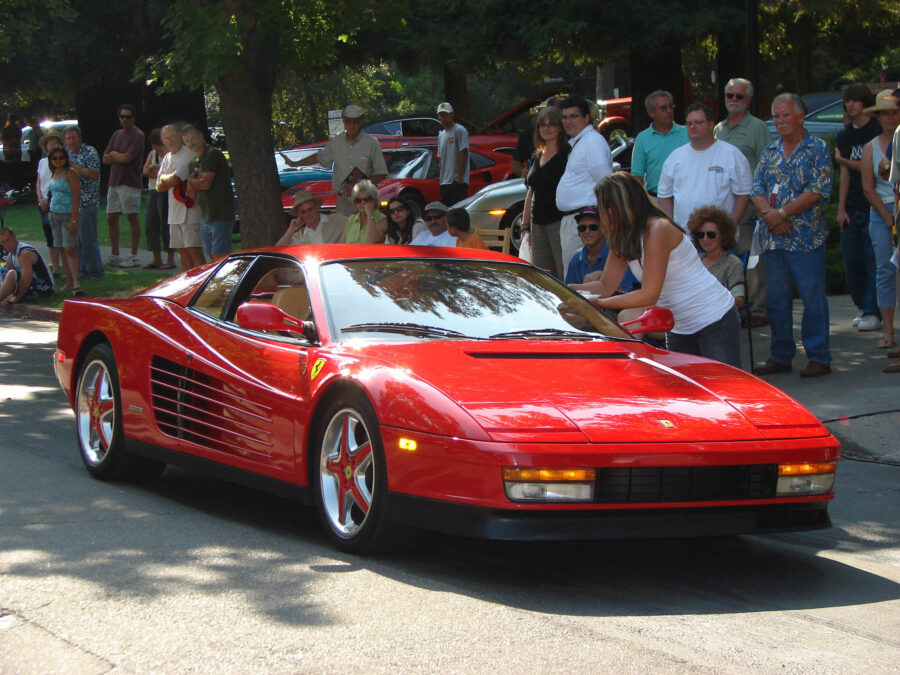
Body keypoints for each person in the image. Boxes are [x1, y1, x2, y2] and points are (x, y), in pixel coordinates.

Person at [573, 173, 741, 368]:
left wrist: (600, 303)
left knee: (723, 390)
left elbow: (649, 294)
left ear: (616, 208)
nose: (601, 215)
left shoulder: (658, 230)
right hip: (679, 327)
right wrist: (561, 288)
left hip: (714, 319)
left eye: (602, 208)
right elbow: (605, 285)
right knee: (686, 395)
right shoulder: (624, 236)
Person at [751, 93, 833, 378]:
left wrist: (782, 214)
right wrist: (770, 217)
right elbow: (757, 190)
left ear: (801, 116)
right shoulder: (770, 151)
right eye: (776, 115)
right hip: (774, 238)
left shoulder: (817, 148)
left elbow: (817, 190)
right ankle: (781, 354)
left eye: (785, 115)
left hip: (806, 238)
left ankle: (819, 356)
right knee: (777, 299)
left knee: (811, 298)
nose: (780, 121)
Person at [714, 77, 772, 327]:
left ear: (748, 100)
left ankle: (757, 309)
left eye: (739, 96)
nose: (734, 101)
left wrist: (763, 206)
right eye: (730, 96)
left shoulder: (758, 128)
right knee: (721, 257)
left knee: (752, 259)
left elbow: (766, 166)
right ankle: (727, 308)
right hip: (721, 203)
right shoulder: (717, 129)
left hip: (749, 204)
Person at [657, 102, 752, 228]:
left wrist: (730, 228)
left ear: (711, 124)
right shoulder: (675, 157)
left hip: (720, 240)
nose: (693, 126)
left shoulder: (732, 154)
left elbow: (743, 195)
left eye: (698, 122)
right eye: (689, 123)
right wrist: (672, 228)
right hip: (685, 239)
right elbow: (664, 196)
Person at [281, 104, 386, 217]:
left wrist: (358, 185)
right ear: (343, 121)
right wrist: (295, 163)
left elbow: (381, 174)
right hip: (343, 202)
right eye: (348, 121)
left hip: (365, 200)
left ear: (361, 121)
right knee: (344, 233)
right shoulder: (336, 141)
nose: (352, 125)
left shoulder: (371, 143)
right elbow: (319, 157)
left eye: (355, 121)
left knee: (367, 233)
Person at [835, 83, 882, 332]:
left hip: (873, 204)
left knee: (871, 260)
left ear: (865, 102)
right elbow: (844, 174)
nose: (851, 105)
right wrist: (840, 208)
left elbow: (868, 167)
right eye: (848, 101)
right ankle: (862, 307)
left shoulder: (875, 132)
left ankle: (873, 311)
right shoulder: (845, 135)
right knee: (852, 262)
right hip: (852, 206)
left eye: (856, 100)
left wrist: (843, 159)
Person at [860, 90, 899, 353]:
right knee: (884, 271)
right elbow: (867, 188)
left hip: (898, 209)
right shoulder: (870, 147)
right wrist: (887, 218)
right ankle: (887, 329)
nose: (890, 117)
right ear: (878, 116)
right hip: (881, 211)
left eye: (894, 111)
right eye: (885, 112)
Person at [556, 95, 613, 272]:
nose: (568, 122)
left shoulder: (592, 142)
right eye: (564, 117)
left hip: (585, 221)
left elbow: (605, 185)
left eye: (573, 116)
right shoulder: (581, 142)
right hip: (575, 221)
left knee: (581, 277)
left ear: (586, 117)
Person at [522, 105, 569, 278]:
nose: (547, 128)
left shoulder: (567, 154)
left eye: (552, 124)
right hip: (537, 223)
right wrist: (524, 226)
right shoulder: (537, 155)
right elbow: (530, 191)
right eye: (543, 124)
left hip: (558, 221)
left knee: (562, 273)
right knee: (542, 276)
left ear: (560, 128)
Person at [182, 123, 235, 260]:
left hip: (220, 214)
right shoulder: (193, 162)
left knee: (220, 257)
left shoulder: (212, 155)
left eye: (193, 139)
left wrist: (193, 181)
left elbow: (205, 184)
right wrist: (194, 182)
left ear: (200, 136)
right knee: (211, 256)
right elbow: (190, 193)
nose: (191, 143)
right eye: (187, 141)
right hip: (205, 215)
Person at [156, 124, 205, 271]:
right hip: (174, 212)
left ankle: (200, 284)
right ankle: (186, 286)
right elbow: (158, 186)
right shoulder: (167, 158)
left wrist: (166, 178)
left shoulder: (188, 155)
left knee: (194, 250)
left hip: (190, 210)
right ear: (162, 141)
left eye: (172, 137)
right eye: (166, 138)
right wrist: (167, 178)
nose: (170, 141)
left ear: (179, 136)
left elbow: (176, 179)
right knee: (182, 252)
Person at [102, 103, 145, 268]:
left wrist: (115, 155)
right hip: (114, 180)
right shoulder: (116, 134)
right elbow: (105, 158)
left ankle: (134, 255)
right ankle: (115, 254)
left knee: (131, 217)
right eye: (122, 117)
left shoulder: (138, 135)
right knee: (111, 217)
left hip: (130, 181)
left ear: (133, 118)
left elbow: (128, 158)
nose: (124, 120)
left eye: (128, 117)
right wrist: (116, 156)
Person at [564, 206, 639, 292]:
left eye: (593, 227)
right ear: (578, 232)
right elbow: (568, 293)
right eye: (582, 228)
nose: (587, 231)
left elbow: (627, 291)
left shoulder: (617, 253)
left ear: (603, 229)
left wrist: (605, 280)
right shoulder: (576, 258)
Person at [630, 90, 688, 196]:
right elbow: (637, 176)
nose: (669, 111)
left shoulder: (687, 133)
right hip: (655, 199)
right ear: (651, 112)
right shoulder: (643, 138)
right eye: (663, 108)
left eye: (671, 106)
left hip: (684, 197)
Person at [65, 126, 104, 278]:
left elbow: (94, 174)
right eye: (68, 138)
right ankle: (81, 270)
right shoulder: (65, 154)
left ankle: (95, 271)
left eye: (74, 138)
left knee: (88, 239)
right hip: (73, 204)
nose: (72, 141)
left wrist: (74, 166)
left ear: (80, 138)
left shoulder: (90, 152)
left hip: (88, 202)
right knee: (76, 240)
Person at [686, 206, 745, 308]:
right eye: (700, 235)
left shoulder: (732, 263)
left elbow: (738, 300)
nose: (705, 239)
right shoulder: (695, 260)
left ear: (723, 235)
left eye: (711, 234)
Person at [46, 147, 82, 295]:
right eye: (55, 158)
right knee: (60, 248)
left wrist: (73, 221)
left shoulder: (71, 174)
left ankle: (76, 283)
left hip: (68, 215)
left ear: (66, 159)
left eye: (61, 157)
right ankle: (68, 281)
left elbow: (76, 198)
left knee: (70, 249)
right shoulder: (54, 173)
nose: (58, 160)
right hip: (54, 215)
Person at [142, 128, 175, 269]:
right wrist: (154, 170)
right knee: (151, 224)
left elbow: (169, 174)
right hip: (153, 190)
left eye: (157, 145)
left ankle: (170, 258)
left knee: (165, 224)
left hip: (166, 192)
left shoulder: (170, 155)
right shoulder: (153, 154)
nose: (156, 148)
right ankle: (156, 258)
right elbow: (145, 171)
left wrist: (156, 170)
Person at [35, 133, 64, 277]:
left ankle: (67, 268)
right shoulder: (42, 163)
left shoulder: (61, 163)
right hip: (43, 202)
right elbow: (39, 182)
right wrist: (40, 198)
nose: (52, 146)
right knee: (50, 237)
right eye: (50, 143)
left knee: (61, 236)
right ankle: (56, 269)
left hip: (57, 201)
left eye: (55, 143)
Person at [0, 227, 53, 304]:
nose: (6, 244)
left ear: (14, 237)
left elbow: (25, 281)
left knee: (12, 274)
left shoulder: (25, 253)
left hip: (44, 287)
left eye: (8, 240)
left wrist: (16, 297)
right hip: (30, 286)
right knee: (2, 271)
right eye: (3, 242)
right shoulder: (10, 255)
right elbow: (8, 280)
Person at [276, 189, 344, 245]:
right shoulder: (298, 236)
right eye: (303, 212)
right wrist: (290, 230)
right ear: (299, 215)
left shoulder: (337, 220)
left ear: (317, 207)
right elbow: (278, 250)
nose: (308, 214)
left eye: (310, 209)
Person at [437, 102, 469, 206]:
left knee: (457, 210)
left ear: (451, 114)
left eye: (446, 114)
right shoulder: (441, 135)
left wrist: (460, 177)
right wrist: (440, 177)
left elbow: (463, 153)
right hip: (444, 182)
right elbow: (441, 157)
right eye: (441, 115)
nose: (444, 117)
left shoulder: (459, 131)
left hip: (456, 181)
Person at [343, 179, 387, 244]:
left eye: (366, 199)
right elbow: (342, 244)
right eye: (358, 200)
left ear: (374, 200)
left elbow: (372, 241)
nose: (363, 203)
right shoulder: (351, 219)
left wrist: (370, 215)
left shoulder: (382, 220)